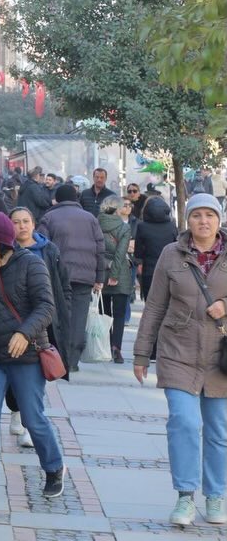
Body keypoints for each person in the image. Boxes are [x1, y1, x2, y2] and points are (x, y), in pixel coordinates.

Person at [133, 193, 227, 527]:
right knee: (184, 422)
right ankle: (186, 496)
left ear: (219, 220)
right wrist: (141, 352)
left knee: (218, 430)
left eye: (210, 215)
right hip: (178, 351)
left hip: (220, 357)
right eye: (197, 215)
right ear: (187, 220)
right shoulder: (171, 254)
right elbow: (155, 305)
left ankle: (215, 495)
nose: (204, 221)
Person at [0, 212, 64, 505]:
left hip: (25, 355)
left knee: (32, 417)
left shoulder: (31, 264)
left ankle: (54, 467)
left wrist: (24, 333)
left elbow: (46, 306)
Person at [9, 206, 73, 447]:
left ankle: (29, 424)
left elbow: (63, 284)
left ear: (34, 224)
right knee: (11, 377)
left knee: (34, 378)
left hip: (42, 323)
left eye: (26, 221)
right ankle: (16, 410)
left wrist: (62, 312)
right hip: (11, 322)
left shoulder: (49, 250)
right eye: (16, 222)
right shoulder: (5, 250)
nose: (22, 226)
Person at [38, 184, 106, 372]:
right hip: (85, 276)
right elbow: (100, 249)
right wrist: (100, 277)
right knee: (79, 317)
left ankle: (60, 357)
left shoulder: (49, 217)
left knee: (58, 315)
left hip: (58, 276)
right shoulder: (90, 218)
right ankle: (73, 360)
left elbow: (42, 247)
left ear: (57, 199)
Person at [98, 196, 133, 363]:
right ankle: (116, 348)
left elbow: (95, 250)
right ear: (118, 209)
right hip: (120, 274)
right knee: (119, 314)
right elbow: (120, 253)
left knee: (104, 313)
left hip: (100, 272)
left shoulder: (96, 224)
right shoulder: (124, 227)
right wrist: (114, 275)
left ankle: (105, 346)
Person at [134, 194, 178, 301]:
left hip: (149, 269)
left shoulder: (142, 226)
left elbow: (138, 250)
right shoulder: (172, 226)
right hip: (169, 268)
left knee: (150, 300)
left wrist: (139, 262)